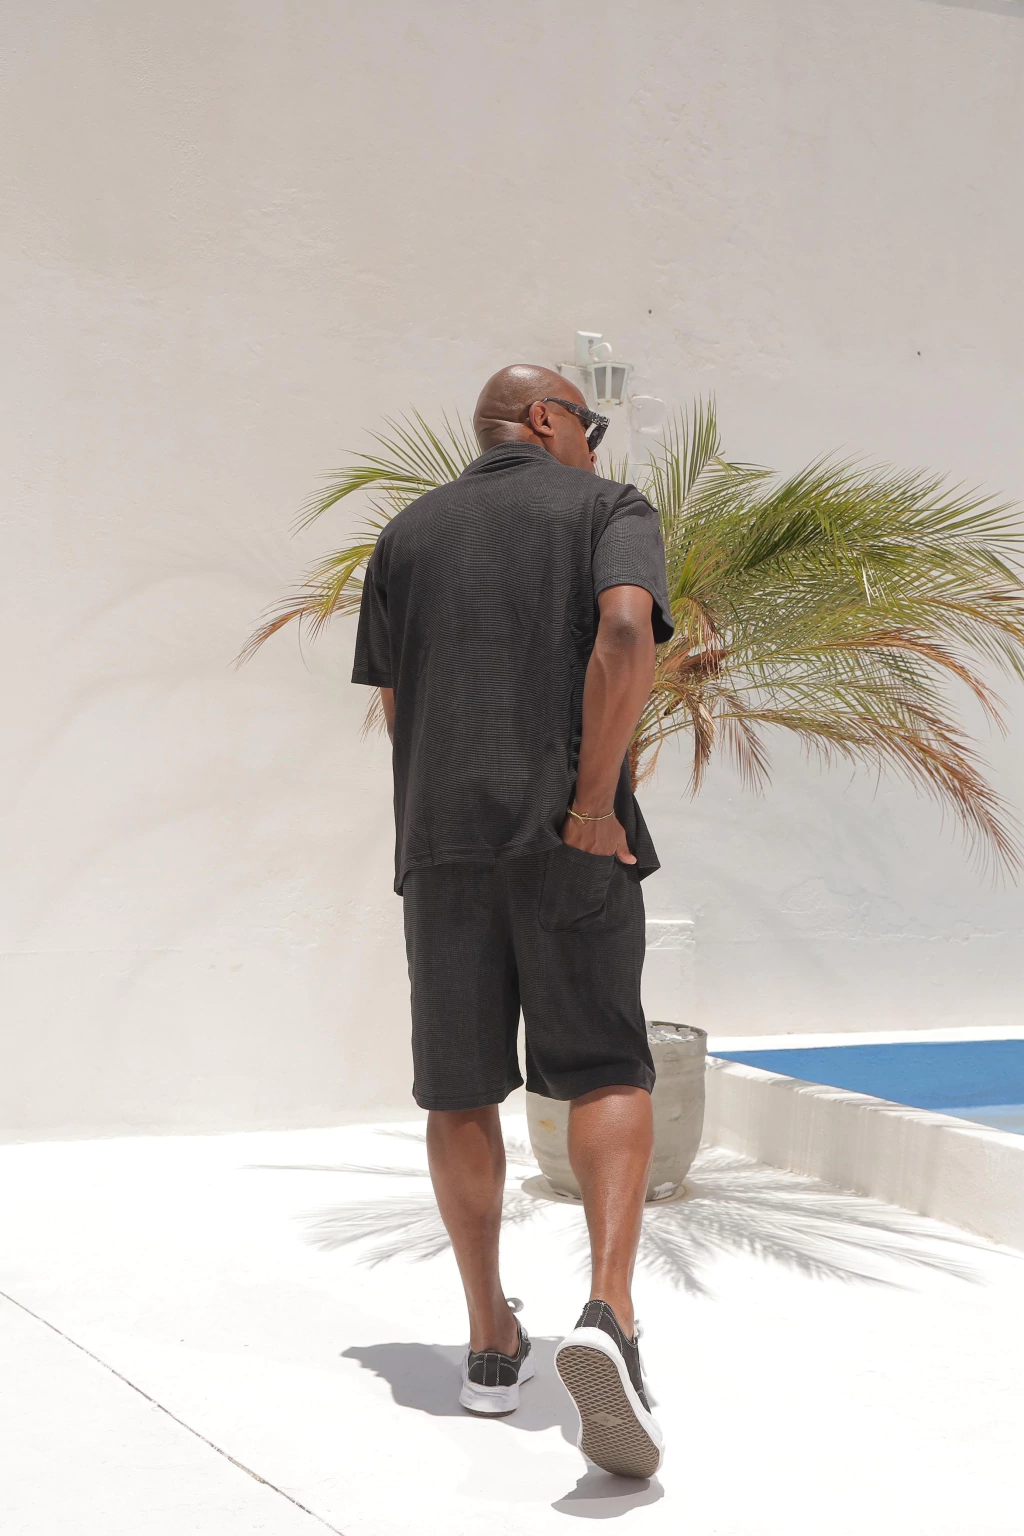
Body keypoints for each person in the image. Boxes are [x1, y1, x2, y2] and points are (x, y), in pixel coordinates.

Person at [352, 363, 674, 1479]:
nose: (594, 442)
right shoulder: (608, 507)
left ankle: (490, 1342)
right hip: (566, 837)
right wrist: (590, 805)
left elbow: (399, 702)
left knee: (458, 1089)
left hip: (442, 845)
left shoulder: (405, 535)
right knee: (602, 1066)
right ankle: (609, 1317)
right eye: (588, 422)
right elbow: (624, 634)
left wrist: (437, 823)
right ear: (545, 418)